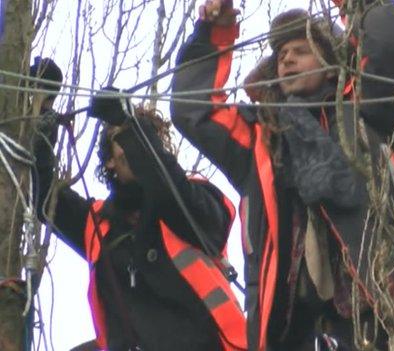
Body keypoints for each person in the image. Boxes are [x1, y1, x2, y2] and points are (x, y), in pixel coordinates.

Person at [171, 0, 394, 350]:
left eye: (301, 51)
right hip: (289, 322)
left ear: (330, 68)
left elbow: (390, 49)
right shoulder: (260, 137)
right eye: (281, 55)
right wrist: (212, 34)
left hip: (381, 303)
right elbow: (193, 110)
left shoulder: (367, 113)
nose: (287, 59)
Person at [32, 91, 247, 351]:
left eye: (145, 139)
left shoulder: (198, 200)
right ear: (110, 160)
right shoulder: (99, 223)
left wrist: (131, 128)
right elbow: (44, 198)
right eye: (121, 139)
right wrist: (40, 128)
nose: (134, 147)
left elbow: (168, 192)